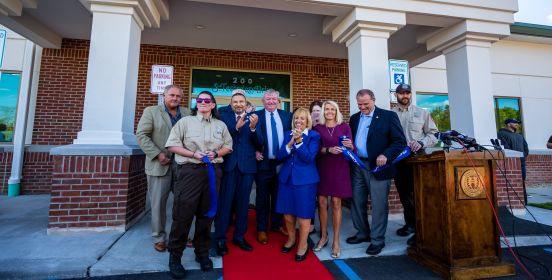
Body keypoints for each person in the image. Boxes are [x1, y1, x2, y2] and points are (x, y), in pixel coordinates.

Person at [165, 91, 233, 279]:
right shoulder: (185, 122)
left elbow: (228, 145)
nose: (202, 102)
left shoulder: (221, 125)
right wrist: (193, 154)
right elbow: (172, 145)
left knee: (206, 216)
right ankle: (175, 257)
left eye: (207, 100)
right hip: (189, 172)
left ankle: (201, 253)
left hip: (212, 173)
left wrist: (218, 153)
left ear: (212, 104)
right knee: (183, 215)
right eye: (199, 100)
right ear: (197, 104)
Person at [346, 89, 406, 256]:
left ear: (373, 100)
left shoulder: (388, 116)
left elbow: (399, 141)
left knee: (379, 205)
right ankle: (362, 233)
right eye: (360, 104)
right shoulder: (354, 118)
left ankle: (377, 240)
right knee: (357, 201)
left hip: (379, 167)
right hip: (358, 165)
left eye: (366, 104)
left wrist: (385, 154)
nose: (362, 107)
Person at [136, 85, 190, 253]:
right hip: (160, 164)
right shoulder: (151, 111)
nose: (175, 98)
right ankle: (159, 238)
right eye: (171, 95)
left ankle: (182, 235)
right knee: (158, 204)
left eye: (178, 96)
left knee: (184, 203)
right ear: (164, 95)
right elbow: (141, 135)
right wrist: (157, 154)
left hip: (182, 165)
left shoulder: (187, 113)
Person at [213, 91, 261, 256]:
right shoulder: (224, 117)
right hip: (229, 166)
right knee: (225, 204)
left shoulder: (254, 118)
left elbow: (259, 142)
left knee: (243, 204)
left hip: (247, 167)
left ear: (245, 103)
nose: (238, 104)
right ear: (231, 103)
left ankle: (239, 237)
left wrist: (254, 129)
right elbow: (219, 139)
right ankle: (219, 238)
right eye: (235, 102)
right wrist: (236, 127)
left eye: (241, 101)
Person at [391, 83, 438, 247]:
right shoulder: (390, 115)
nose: (405, 95)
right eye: (401, 93)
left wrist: (421, 142)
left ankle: (421, 229)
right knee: (404, 195)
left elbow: (434, 134)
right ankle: (410, 224)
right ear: (395, 95)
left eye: (407, 92)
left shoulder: (422, 113)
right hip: (398, 160)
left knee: (418, 194)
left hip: (417, 158)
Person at [276, 107, 320, 262]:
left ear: (307, 120)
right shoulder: (288, 134)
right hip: (287, 178)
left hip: (305, 181)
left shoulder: (314, 136)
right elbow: (280, 156)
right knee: (287, 214)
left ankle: (303, 245)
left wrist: (299, 142)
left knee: (303, 214)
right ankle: (291, 238)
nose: (298, 121)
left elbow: (309, 158)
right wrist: (290, 143)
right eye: (296, 118)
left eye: (302, 118)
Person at [312, 101, 353, 258]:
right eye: (326, 109)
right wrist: (328, 149)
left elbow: (351, 146)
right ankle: (324, 236)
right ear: (323, 111)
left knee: (336, 203)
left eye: (332, 109)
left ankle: (336, 240)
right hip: (323, 167)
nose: (329, 112)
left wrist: (349, 145)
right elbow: (315, 149)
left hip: (339, 167)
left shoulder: (344, 126)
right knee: (322, 203)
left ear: (336, 111)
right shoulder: (318, 128)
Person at [253, 89, 292, 245]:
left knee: (278, 196)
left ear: (278, 101)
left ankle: (276, 225)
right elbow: (250, 137)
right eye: (268, 99)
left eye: (273, 99)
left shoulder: (287, 117)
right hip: (264, 163)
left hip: (282, 163)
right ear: (263, 101)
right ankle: (261, 228)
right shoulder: (257, 117)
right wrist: (254, 150)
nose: (271, 102)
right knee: (262, 198)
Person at [498, 118, 530, 203]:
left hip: (521, 163)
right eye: (514, 122)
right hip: (510, 163)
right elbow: (505, 147)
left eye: (517, 123)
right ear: (508, 124)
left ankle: (524, 201)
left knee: (521, 181)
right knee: (512, 181)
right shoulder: (501, 134)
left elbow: (526, 148)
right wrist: (514, 157)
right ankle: (514, 202)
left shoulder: (520, 135)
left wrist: (523, 156)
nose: (517, 124)